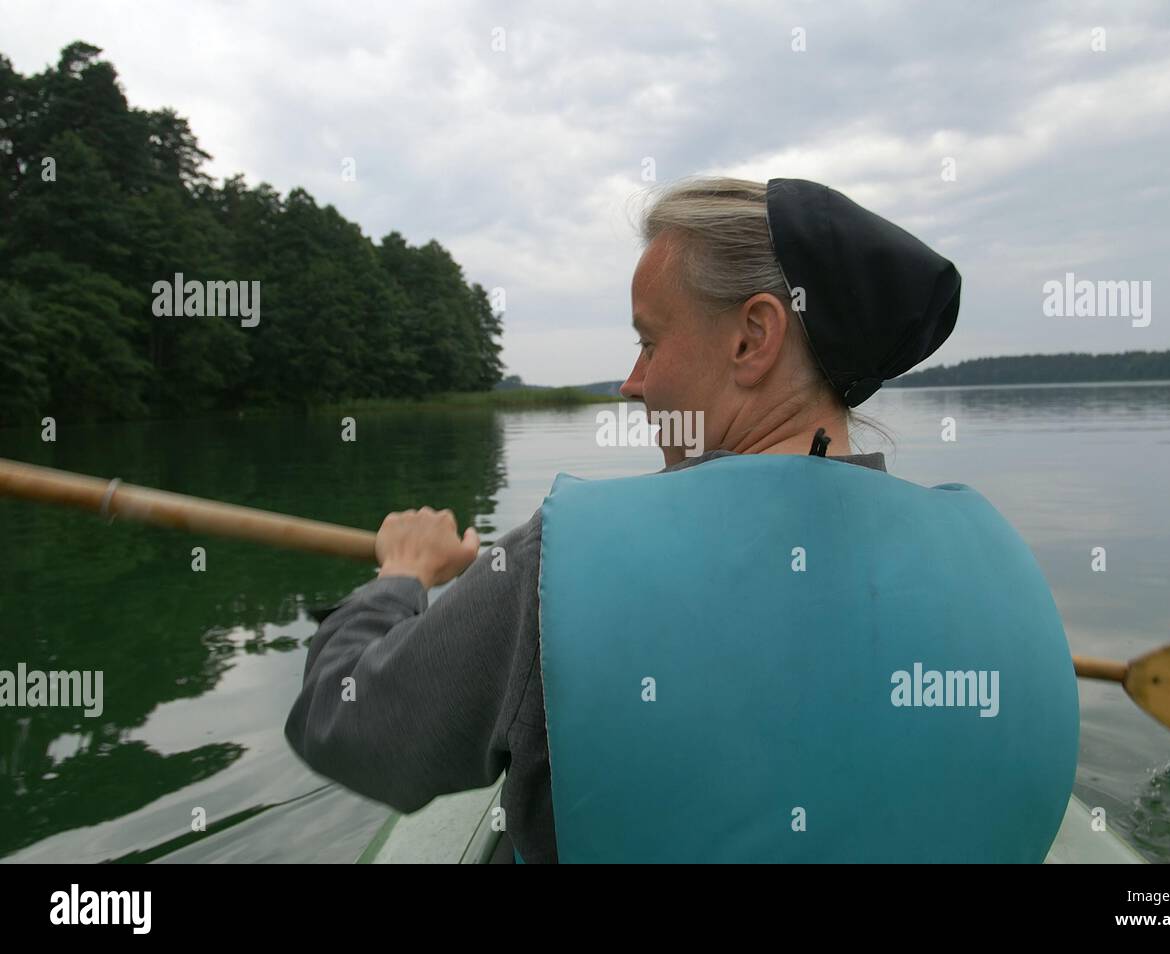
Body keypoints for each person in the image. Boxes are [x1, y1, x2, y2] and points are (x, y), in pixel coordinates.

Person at [284, 177, 1076, 863]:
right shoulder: (1001, 558)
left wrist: (399, 578)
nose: (631, 384)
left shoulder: (555, 563)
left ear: (752, 338)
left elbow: (342, 724)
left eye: (648, 341)